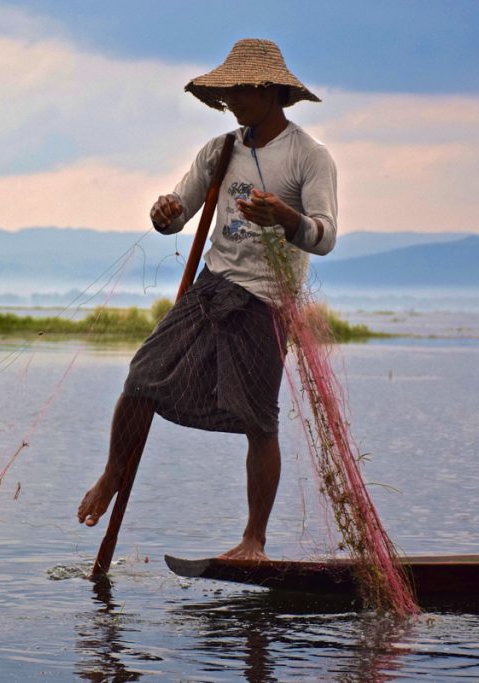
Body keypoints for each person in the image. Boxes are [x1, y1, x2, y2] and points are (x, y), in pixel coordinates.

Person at [78, 38, 337, 561]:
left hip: (264, 300)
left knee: (259, 420)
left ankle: (253, 541)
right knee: (141, 377)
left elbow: (325, 236)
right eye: (227, 91)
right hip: (212, 284)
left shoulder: (310, 157)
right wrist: (163, 213)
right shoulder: (220, 151)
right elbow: (177, 217)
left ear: (269, 91)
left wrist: (285, 219)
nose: (231, 100)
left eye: (240, 90)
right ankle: (112, 476)